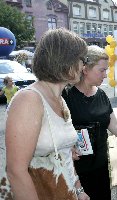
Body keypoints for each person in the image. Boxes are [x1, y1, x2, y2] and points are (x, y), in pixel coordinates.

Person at [5, 28, 90, 200]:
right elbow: (16, 172)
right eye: (82, 60)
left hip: (66, 191)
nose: (84, 66)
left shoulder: (60, 100)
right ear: (66, 60)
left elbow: (64, 154)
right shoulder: (29, 99)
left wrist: (79, 190)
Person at [62, 45, 117, 200]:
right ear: (85, 69)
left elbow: (114, 125)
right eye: (102, 70)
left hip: (101, 167)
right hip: (76, 171)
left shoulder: (101, 95)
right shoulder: (66, 96)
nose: (106, 75)